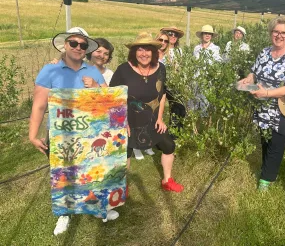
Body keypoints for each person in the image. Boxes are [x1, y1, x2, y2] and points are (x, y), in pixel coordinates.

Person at [28, 27, 114, 236]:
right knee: (64, 174)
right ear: (65, 45)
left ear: (87, 50)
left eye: (82, 45)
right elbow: (39, 105)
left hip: (89, 133)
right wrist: (32, 135)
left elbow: (108, 100)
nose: (78, 48)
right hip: (60, 133)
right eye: (73, 43)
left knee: (92, 170)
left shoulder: (93, 71)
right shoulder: (50, 70)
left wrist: (95, 87)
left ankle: (94, 206)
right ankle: (64, 214)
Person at [109, 32, 184, 193]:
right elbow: (113, 98)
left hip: (152, 120)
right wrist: (121, 122)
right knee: (125, 153)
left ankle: (167, 180)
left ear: (154, 52)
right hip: (129, 122)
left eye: (148, 49)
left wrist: (160, 118)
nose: (144, 54)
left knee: (169, 145)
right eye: (140, 49)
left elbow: (162, 95)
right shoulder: (123, 70)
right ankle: (122, 185)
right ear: (134, 52)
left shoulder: (161, 68)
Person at [238, 16, 285, 191]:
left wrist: (266, 93)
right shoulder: (264, 52)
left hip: (282, 108)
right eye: (276, 31)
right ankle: (268, 170)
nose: (279, 35)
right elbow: (254, 72)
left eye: (284, 32)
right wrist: (248, 79)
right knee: (265, 140)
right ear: (271, 32)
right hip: (263, 106)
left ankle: (266, 180)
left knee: (277, 144)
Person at [158, 28, 187, 137]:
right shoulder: (163, 51)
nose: (173, 36)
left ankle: (179, 133)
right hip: (167, 83)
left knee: (181, 108)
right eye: (171, 34)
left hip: (179, 83)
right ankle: (173, 135)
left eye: (176, 35)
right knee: (174, 108)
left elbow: (182, 66)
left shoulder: (179, 51)